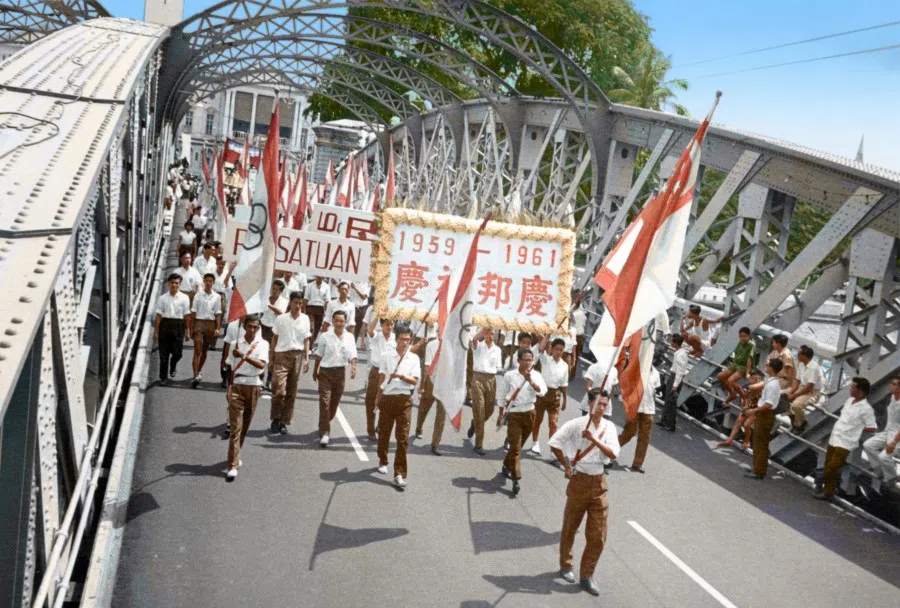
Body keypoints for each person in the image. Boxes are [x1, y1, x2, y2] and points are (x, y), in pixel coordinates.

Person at [548, 389, 620, 597]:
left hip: (599, 482)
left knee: (598, 535)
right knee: (570, 526)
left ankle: (587, 575)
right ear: (589, 404)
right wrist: (566, 466)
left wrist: (594, 440)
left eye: (605, 405)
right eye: (599, 404)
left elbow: (613, 454)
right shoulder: (577, 424)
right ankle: (565, 565)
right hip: (579, 480)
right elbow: (554, 443)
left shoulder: (609, 427)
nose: (602, 408)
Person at [376, 323, 421, 489]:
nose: (404, 343)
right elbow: (382, 378)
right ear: (396, 340)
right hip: (388, 398)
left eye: (408, 340)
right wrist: (378, 397)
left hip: (404, 400)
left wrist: (401, 376)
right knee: (384, 433)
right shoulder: (387, 356)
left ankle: (399, 473)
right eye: (402, 339)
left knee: (402, 439)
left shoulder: (414, 358)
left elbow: (415, 381)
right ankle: (383, 459)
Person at [815, 377, 876, 499]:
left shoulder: (866, 409)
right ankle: (828, 491)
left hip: (846, 441)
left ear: (860, 391)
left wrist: (857, 427)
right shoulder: (849, 401)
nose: (850, 389)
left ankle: (827, 488)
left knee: (832, 467)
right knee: (828, 464)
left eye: (852, 387)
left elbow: (872, 427)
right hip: (835, 437)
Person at [497, 348, 547, 495]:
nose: (527, 362)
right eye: (525, 359)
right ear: (518, 361)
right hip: (514, 414)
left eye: (530, 360)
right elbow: (501, 395)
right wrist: (501, 414)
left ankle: (507, 464)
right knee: (516, 448)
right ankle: (516, 479)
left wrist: (530, 381)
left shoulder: (536, 375)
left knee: (516, 446)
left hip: (530, 413)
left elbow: (542, 391)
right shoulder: (509, 375)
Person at [225, 315, 269, 480]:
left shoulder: (263, 344)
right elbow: (230, 366)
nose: (252, 330)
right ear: (244, 326)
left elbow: (261, 365)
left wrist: (243, 356)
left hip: (254, 386)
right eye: (249, 326)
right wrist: (229, 387)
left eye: (255, 327)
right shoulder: (235, 344)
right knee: (235, 427)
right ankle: (233, 464)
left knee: (244, 426)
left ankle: (236, 454)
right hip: (237, 385)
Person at [312, 310, 358, 447]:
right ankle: (325, 432)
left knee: (333, 404)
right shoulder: (325, 336)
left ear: (345, 322)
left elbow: (353, 353)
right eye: (336, 320)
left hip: (340, 373)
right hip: (325, 372)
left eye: (342, 321)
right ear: (332, 321)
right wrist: (315, 371)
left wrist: (354, 367)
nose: (339, 323)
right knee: (325, 402)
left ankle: (323, 422)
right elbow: (319, 355)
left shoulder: (349, 337)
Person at [268, 292, 311, 435]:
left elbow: (306, 339)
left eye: (300, 303)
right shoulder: (281, 319)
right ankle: (275, 418)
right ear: (290, 303)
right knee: (279, 390)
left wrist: (306, 358)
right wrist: (272, 358)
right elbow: (274, 338)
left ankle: (284, 421)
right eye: (295, 302)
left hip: (297, 356)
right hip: (282, 355)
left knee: (292, 392)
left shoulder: (305, 319)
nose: (298, 305)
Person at [742, 359, 783, 480]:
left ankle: (759, 471)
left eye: (767, 365)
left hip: (765, 414)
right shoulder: (771, 382)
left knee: (760, 444)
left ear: (772, 368)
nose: (765, 366)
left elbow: (768, 404)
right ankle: (757, 467)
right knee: (757, 442)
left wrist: (754, 410)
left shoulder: (772, 384)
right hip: (764, 414)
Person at [618, 364, 661, 473]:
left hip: (648, 409)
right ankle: (610, 451)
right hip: (634, 407)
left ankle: (637, 463)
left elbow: (654, 391)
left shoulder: (656, 373)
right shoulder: (636, 370)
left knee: (644, 437)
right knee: (629, 432)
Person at [530, 337, 569, 457]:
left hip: (555, 396)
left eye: (561, 350)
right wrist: (547, 336)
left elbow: (564, 385)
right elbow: (541, 349)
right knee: (537, 420)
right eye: (556, 349)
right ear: (552, 349)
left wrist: (564, 400)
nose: (558, 352)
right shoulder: (546, 360)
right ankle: (535, 442)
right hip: (542, 393)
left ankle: (553, 450)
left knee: (553, 423)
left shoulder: (565, 366)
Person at [467, 328, 502, 456]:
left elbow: (498, 366)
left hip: (491, 379)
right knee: (480, 410)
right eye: (488, 333)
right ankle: (478, 445)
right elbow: (474, 340)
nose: (490, 336)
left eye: (492, 334)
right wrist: (483, 330)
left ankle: (474, 423)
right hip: (478, 378)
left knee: (490, 409)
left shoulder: (497, 350)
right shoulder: (478, 346)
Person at [153, 274, 191, 385]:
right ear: (168, 283)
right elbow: (158, 315)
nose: (174, 285)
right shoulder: (162, 298)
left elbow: (187, 315)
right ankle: (163, 377)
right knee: (163, 354)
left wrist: (188, 330)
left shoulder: (185, 298)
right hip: (165, 325)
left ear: (180, 284)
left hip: (178, 325)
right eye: (172, 283)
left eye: (176, 283)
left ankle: (173, 365)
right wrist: (156, 331)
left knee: (178, 353)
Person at [862, 376, 900, 485]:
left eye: (894, 384)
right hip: (888, 431)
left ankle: (892, 477)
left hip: (897, 436)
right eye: (891, 383)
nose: (890, 386)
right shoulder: (893, 397)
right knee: (868, 445)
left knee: (884, 456)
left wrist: (893, 443)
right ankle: (881, 469)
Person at [414, 332, 445, 456]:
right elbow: (427, 365)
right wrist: (423, 383)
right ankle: (419, 427)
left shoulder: (453, 346)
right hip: (432, 380)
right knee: (424, 408)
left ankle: (435, 444)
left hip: (445, 383)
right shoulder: (432, 345)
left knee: (441, 415)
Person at [366, 318, 396, 441]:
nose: (389, 327)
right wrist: (378, 315)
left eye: (391, 324)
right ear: (382, 325)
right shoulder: (377, 336)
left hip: (389, 374)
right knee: (371, 400)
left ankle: (380, 425)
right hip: (376, 371)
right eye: (387, 324)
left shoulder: (395, 338)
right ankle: (371, 429)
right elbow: (369, 329)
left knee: (386, 401)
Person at [190, 273, 222, 388]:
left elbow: (218, 313)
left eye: (210, 281)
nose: (208, 283)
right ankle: (195, 376)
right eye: (206, 281)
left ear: (213, 283)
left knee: (204, 350)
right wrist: (191, 328)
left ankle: (198, 370)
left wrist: (217, 328)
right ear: (204, 282)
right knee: (197, 350)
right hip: (199, 323)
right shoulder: (198, 295)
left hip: (210, 325)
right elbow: (193, 312)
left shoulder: (217, 296)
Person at [717, 372, 763, 449]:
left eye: (756, 379)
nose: (753, 380)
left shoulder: (761, 390)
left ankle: (747, 441)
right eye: (752, 378)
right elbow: (746, 397)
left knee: (746, 425)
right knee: (737, 423)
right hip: (748, 408)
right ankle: (729, 440)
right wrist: (745, 404)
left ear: (759, 380)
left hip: (756, 410)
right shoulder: (750, 388)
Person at [784, 345, 823, 434]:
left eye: (798, 354)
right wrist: (791, 392)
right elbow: (797, 380)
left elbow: (809, 387)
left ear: (804, 356)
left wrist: (794, 395)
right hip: (803, 387)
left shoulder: (813, 368)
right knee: (783, 398)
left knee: (796, 405)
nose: (797, 355)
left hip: (812, 392)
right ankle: (794, 422)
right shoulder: (801, 364)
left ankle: (801, 424)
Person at [716, 327, 755, 405]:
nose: (742, 338)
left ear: (749, 336)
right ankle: (732, 393)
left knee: (731, 380)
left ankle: (744, 396)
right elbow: (736, 354)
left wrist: (747, 372)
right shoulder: (740, 342)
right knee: (720, 376)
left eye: (745, 336)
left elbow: (749, 360)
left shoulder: (751, 345)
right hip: (736, 364)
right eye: (741, 336)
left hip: (743, 367)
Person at [658, 334, 688, 431]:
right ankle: (663, 421)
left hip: (675, 378)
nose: (671, 343)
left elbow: (679, 372)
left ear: (675, 343)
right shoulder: (679, 353)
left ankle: (670, 425)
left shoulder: (680, 355)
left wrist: (675, 385)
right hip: (673, 377)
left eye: (672, 342)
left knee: (671, 402)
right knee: (667, 400)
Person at [304, 275, 331, 342]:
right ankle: (307, 344)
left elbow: (327, 301)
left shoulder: (326, 287)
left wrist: (326, 313)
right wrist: (304, 311)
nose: (320, 278)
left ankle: (310, 346)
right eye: (319, 277)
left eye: (322, 277)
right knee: (311, 328)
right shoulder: (309, 285)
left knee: (317, 329)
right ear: (316, 276)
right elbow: (305, 299)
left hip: (320, 309)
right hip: (310, 308)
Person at [260, 279, 288, 345]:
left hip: (274, 328)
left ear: (281, 291)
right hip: (263, 325)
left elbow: (280, 313)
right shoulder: (266, 298)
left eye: (276, 290)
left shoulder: (284, 301)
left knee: (271, 346)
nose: (274, 291)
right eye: (273, 289)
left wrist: (268, 304)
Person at [570, 301, 587, 380]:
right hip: (581, 336)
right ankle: (572, 374)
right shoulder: (583, 314)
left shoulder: (573, 314)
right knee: (576, 356)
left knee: (570, 354)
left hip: (574, 335)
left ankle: (569, 373)